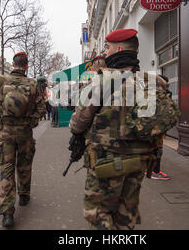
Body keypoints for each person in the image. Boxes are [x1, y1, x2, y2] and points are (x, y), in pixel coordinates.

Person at [69, 29, 172, 230]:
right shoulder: (155, 82)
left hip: (106, 161)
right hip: (140, 161)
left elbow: (78, 122)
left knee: (99, 213)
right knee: (127, 211)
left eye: (107, 48)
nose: (106, 53)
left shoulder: (101, 81)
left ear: (118, 49)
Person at [0, 52, 46, 228]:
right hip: (25, 134)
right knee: (24, 165)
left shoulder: (0, 82)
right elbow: (42, 109)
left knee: (7, 171)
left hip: (5, 134)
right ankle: (24, 195)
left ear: (13, 64)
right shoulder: (33, 84)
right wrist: (31, 123)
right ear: (26, 66)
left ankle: (7, 213)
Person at [150, 75, 172, 181]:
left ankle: (151, 169)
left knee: (154, 148)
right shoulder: (159, 96)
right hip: (156, 127)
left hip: (153, 127)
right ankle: (155, 171)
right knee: (157, 149)